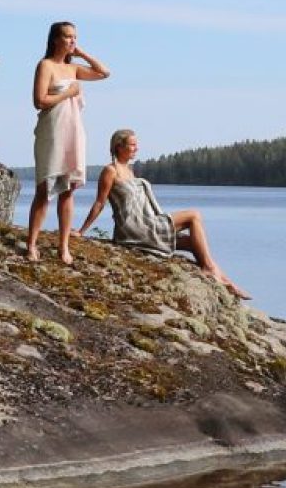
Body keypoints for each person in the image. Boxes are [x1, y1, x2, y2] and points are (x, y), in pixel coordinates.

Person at [81, 127, 249, 298]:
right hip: (134, 228)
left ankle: (226, 281)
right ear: (119, 146)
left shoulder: (130, 171)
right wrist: (81, 231)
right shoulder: (110, 171)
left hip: (146, 223)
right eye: (132, 145)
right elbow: (99, 203)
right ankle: (210, 270)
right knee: (194, 215)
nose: (136, 148)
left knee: (193, 242)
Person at [26, 20, 107, 264]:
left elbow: (104, 72)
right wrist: (67, 94)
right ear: (55, 40)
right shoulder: (46, 65)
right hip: (52, 130)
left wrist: (80, 53)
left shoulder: (74, 69)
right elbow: (39, 101)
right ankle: (31, 244)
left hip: (74, 130)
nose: (72, 40)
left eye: (75, 37)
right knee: (44, 189)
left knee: (69, 189)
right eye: (68, 37)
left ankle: (64, 247)